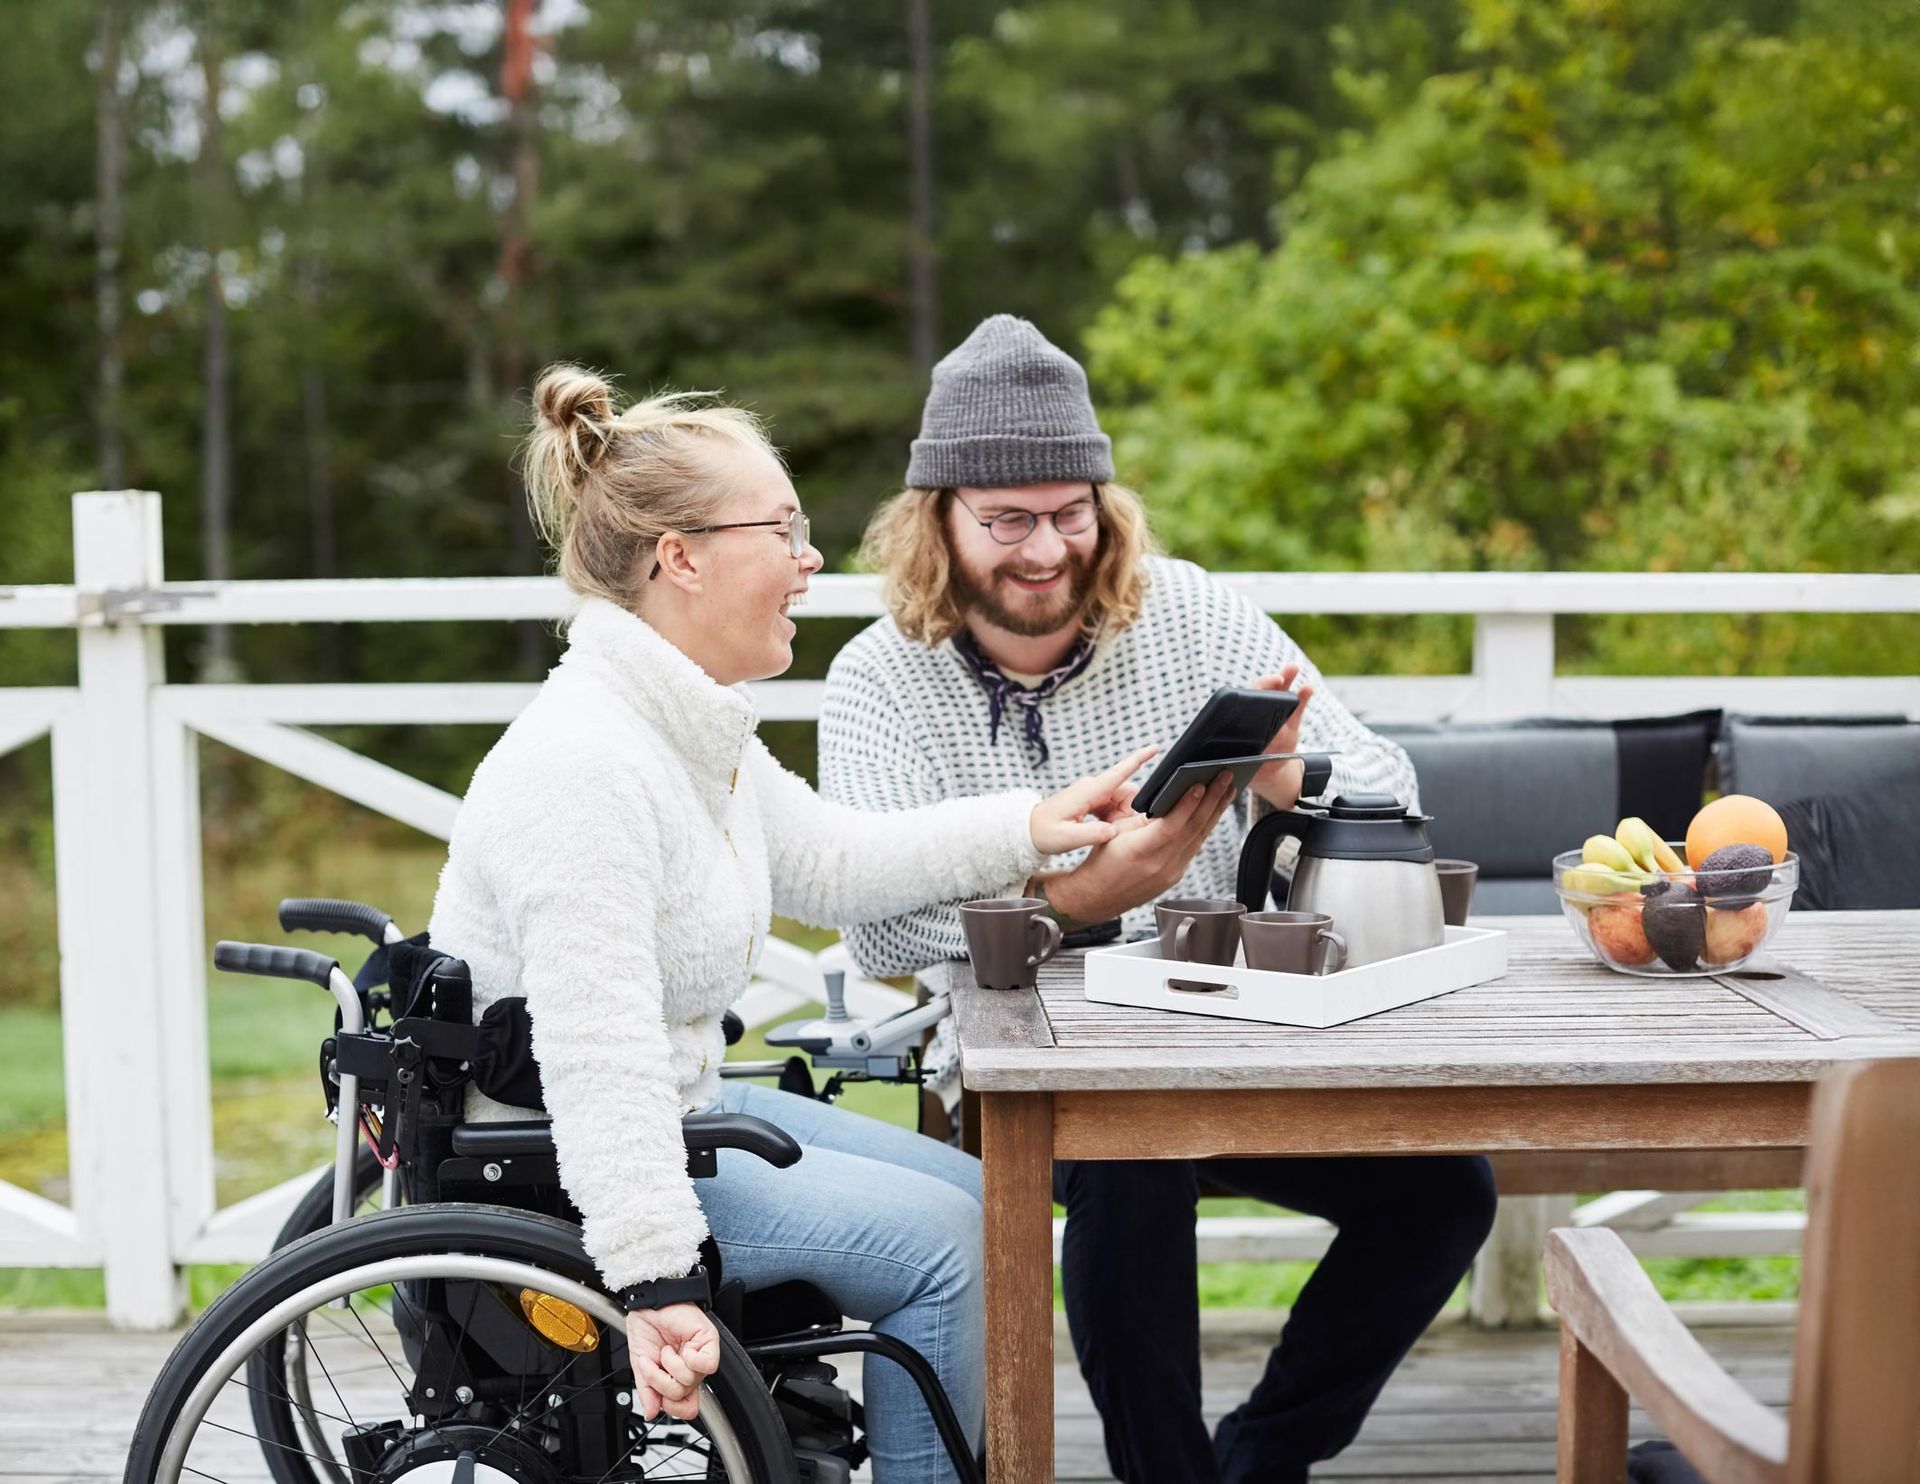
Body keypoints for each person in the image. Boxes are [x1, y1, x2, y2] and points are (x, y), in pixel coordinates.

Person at [427, 364, 1155, 1483]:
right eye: (785, 528)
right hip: (566, 1162)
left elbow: (833, 858)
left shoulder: (678, 721)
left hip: (681, 1101)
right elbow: (599, 1054)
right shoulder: (585, 764)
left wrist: (1035, 823)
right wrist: (658, 1278)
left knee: (985, 1197)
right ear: (683, 556)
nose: (812, 559)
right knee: (957, 1250)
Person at [818, 315, 1499, 1484]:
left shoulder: (1187, 610)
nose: (1047, 548)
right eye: (1010, 520)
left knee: (1446, 1193)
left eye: (1072, 509)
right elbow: (880, 927)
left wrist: (1289, 774)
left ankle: (1259, 1458)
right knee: (1130, 1170)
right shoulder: (878, 676)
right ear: (938, 519)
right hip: (1030, 1052)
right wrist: (1080, 900)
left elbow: (1392, 786)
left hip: (1237, 1024)